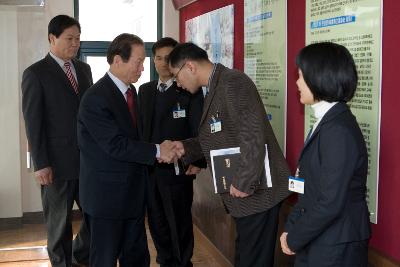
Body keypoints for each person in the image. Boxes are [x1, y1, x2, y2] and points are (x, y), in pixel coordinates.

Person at [167, 42, 291, 267]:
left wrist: (243, 181)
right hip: (246, 195)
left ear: (190, 67)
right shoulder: (217, 85)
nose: (178, 83)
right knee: (246, 257)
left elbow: (254, 135)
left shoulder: (233, 82)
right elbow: (220, 134)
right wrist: (186, 148)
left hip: (257, 192)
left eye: (177, 76)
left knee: (253, 260)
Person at [77, 33, 177, 267]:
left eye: (144, 61)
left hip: (133, 196)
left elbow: (137, 138)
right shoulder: (96, 98)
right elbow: (115, 144)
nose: (143, 68)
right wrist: (157, 151)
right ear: (118, 60)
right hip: (106, 200)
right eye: (139, 61)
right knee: (105, 259)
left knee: (137, 258)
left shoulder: (132, 93)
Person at [280, 42, 371, 267]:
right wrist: (292, 228)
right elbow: (310, 187)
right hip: (320, 237)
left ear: (319, 77)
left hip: (335, 245)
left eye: (301, 76)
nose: (297, 82)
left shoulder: (338, 130)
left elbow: (330, 202)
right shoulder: (328, 121)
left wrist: (294, 237)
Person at [21, 14, 91, 267]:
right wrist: (40, 164)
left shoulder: (84, 70)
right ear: (52, 38)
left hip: (86, 162)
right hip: (55, 165)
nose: (76, 44)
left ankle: (79, 255)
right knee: (59, 224)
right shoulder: (35, 73)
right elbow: (33, 123)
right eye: (70, 39)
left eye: (78, 39)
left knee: (95, 215)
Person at [138, 37, 204, 267]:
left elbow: (199, 129)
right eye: (158, 58)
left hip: (177, 171)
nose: (164, 63)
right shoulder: (144, 91)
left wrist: (197, 159)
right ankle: (165, 261)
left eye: (169, 58)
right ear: (153, 61)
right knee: (156, 222)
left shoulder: (189, 90)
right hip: (150, 170)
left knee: (179, 222)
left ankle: (183, 263)